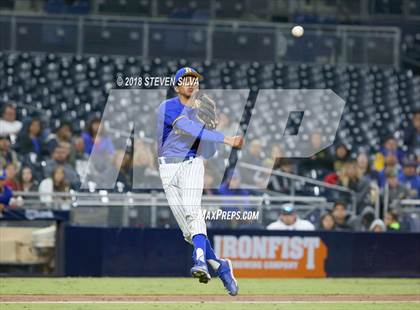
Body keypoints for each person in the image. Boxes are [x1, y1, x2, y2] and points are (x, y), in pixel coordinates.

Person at [156, 67, 242, 295]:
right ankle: (221, 266)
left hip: (191, 165)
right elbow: (187, 127)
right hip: (167, 169)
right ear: (176, 87)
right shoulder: (167, 107)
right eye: (185, 80)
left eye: (194, 80)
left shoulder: (200, 113)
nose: (191, 83)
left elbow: (209, 152)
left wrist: (212, 126)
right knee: (188, 233)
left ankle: (201, 262)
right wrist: (224, 137)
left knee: (194, 214)